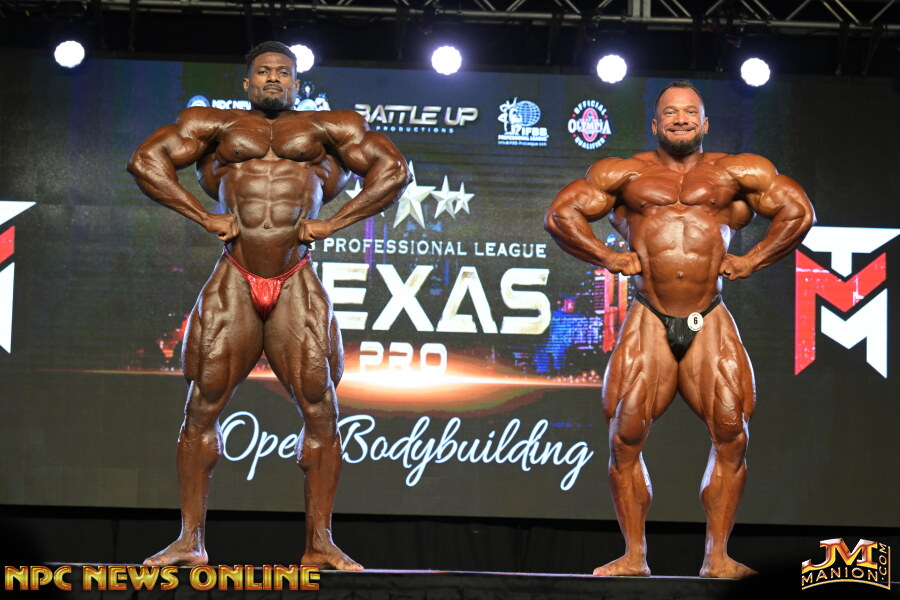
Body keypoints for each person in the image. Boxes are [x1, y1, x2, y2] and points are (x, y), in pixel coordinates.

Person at [127, 41, 410, 570]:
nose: (273, 78)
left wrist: (334, 223)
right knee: (201, 406)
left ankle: (320, 544)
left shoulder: (330, 128)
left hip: (295, 276)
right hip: (234, 276)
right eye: (263, 72)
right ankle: (190, 541)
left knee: (321, 409)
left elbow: (393, 170)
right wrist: (201, 215)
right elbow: (146, 162)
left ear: (297, 82)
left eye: (283, 72)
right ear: (247, 82)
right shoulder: (215, 126)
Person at [544, 80, 815, 578]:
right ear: (655, 123)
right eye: (670, 112)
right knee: (624, 437)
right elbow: (561, 215)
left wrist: (752, 259)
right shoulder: (624, 173)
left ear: (705, 122)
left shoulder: (736, 171)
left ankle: (718, 557)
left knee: (732, 434)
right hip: (649, 313)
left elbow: (798, 211)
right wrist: (606, 256)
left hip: (708, 315)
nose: (681, 118)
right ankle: (633, 556)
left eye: (690, 111)